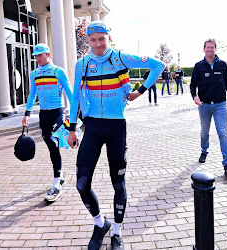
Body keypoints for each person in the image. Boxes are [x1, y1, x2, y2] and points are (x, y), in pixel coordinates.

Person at [67, 21, 165, 250]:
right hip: (91, 127)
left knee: (118, 183)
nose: (98, 44)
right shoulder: (82, 63)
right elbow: (74, 96)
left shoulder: (121, 57)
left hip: (116, 128)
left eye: (102, 38)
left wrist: (140, 91)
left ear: (109, 38)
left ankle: (117, 233)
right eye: (93, 40)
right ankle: (100, 224)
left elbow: (158, 65)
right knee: (82, 183)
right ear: (87, 41)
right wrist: (72, 129)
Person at [22, 43, 73, 201]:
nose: (37, 58)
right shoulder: (34, 73)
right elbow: (32, 95)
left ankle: (56, 183)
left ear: (48, 54)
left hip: (57, 111)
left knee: (54, 143)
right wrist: (27, 114)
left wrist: (75, 115)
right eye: (36, 56)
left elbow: (70, 93)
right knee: (50, 146)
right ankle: (60, 174)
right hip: (43, 114)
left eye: (40, 55)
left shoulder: (58, 71)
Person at [190, 39, 227, 176]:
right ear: (204, 49)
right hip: (204, 105)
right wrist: (194, 96)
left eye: (212, 47)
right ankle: (204, 151)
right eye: (208, 47)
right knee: (204, 131)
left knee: (223, 132)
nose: (210, 49)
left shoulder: (222, 65)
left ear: (215, 49)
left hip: (220, 104)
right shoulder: (198, 66)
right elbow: (192, 84)